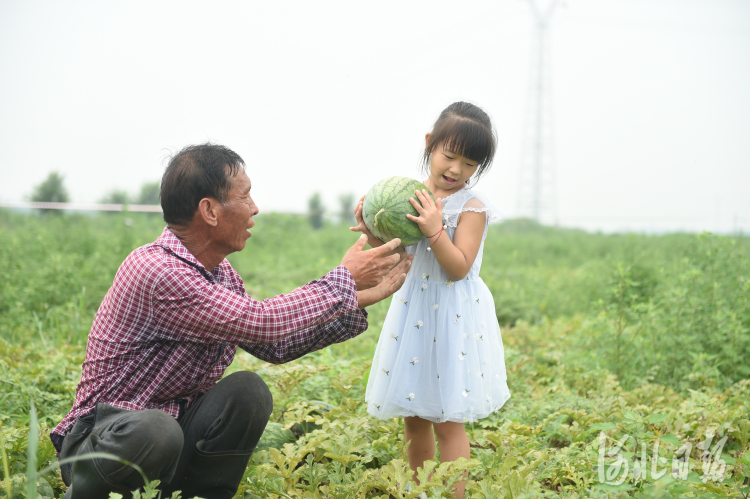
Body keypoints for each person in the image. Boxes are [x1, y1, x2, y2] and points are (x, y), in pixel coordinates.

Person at [51, 143, 413, 499]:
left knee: (247, 392)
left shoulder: (220, 274)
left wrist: (360, 297)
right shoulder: (156, 269)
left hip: (170, 438)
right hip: (102, 442)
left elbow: (275, 344)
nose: (254, 208)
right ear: (209, 210)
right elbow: (263, 321)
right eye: (245, 197)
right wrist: (343, 282)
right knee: (157, 429)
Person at [352, 102, 511, 499]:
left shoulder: (471, 208)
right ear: (430, 144)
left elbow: (458, 267)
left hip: (453, 318)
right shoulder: (409, 196)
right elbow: (392, 251)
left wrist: (437, 230)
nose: (456, 169)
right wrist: (370, 228)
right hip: (415, 313)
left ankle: (453, 495)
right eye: (450, 155)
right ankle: (419, 492)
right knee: (414, 416)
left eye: (470, 163)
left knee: (448, 420)